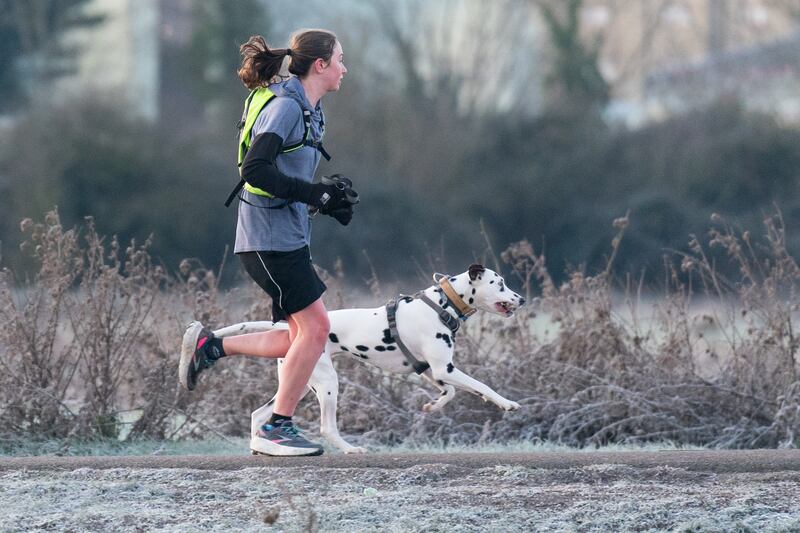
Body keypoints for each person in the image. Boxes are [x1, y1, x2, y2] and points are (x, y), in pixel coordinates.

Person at [178, 29, 352, 456]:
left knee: (297, 337)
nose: (345, 68)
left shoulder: (313, 110)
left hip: (286, 237)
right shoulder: (287, 108)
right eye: (341, 59)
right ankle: (275, 427)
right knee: (317, 330)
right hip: (267, 240)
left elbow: (287, 174)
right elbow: (255, 169)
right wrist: (313, 194)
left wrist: (325, 200)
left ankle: (211, 345)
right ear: (321, 65)